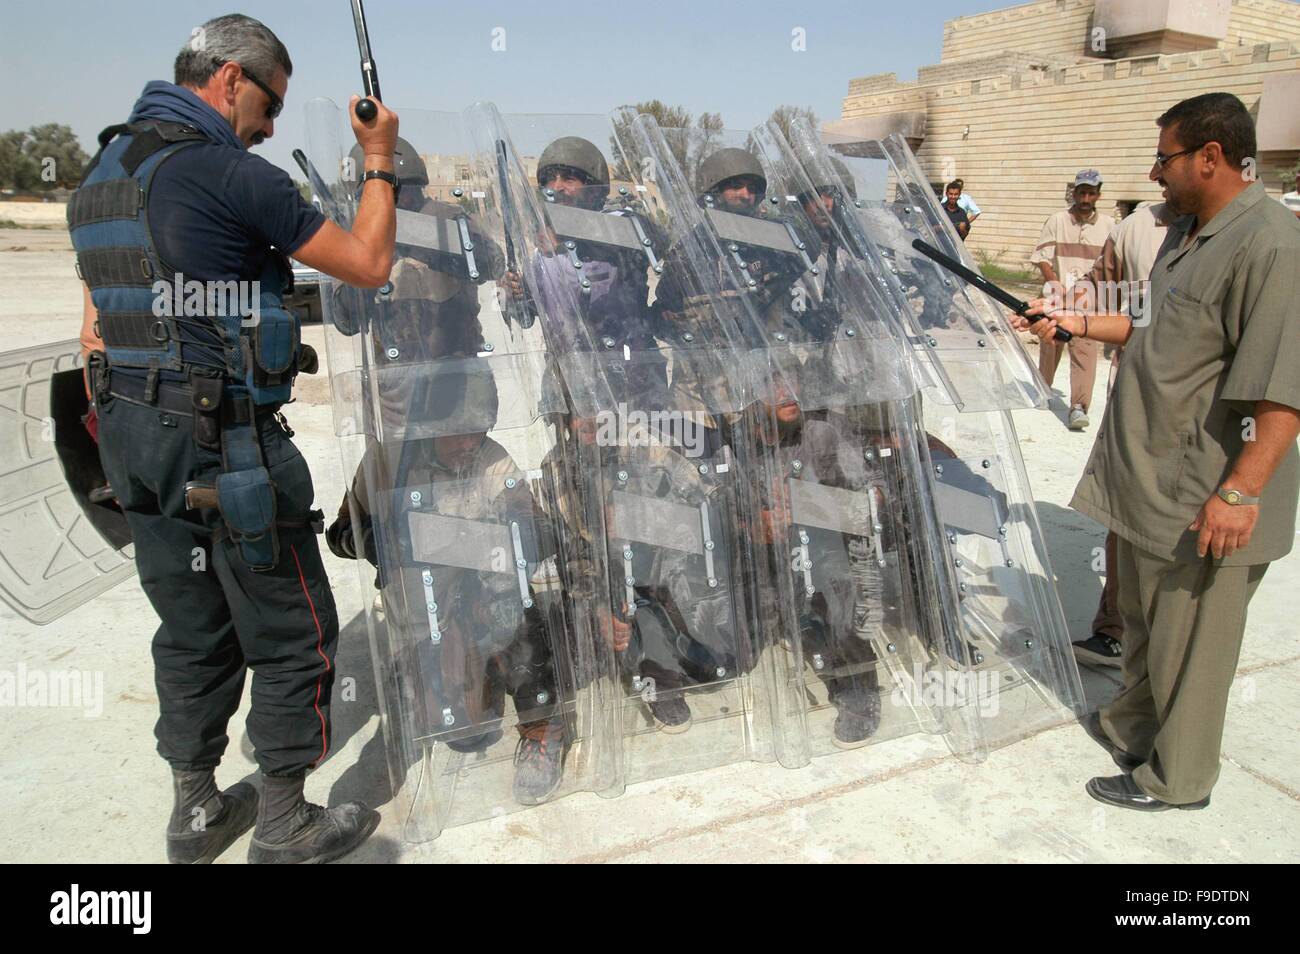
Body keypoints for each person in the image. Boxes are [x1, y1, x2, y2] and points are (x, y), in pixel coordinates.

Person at [69, 14, 399, 863]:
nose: (271, 126)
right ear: (228, 79)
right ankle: (286, 822)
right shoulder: (229, 173)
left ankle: (196, 811)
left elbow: (96, 319)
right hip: (228, 445)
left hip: (133, 438)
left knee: (191, 629)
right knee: (294, 629)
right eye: (269, 104)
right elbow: (366, 263)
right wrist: (377, 158)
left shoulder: (103, 172)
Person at [1015, 92, 1300, 812]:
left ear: (1211, 156)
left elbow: (1283, 392)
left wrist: (1240, 492)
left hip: (1207, 491)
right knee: (1146, 627)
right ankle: (1134, 729)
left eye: (1165, 157)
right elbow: (1147, 325)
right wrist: (1070, 319)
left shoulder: (1272, 245)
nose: (1154, 171)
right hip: (1152, 481)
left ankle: (1178, 779)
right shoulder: (1186, 233)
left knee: (1191, 648)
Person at [1069, 200, 1171, 669]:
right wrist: (1060, 310)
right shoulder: (1137, 226)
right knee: (1123, 512)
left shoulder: (1244, 236)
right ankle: (1114, 631)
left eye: (1166, 159)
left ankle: (1162, 641)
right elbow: (1096, 286)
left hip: (1197, 422)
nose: (1154, 173)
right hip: (1134, 399)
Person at [1028, 170, 1111, 431]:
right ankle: (1044, 388)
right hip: (1057, 293)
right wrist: (1055, 283)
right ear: (1074, 193)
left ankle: (1078, 406)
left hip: (1088, 298)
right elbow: (1043, 256)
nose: (1086, 197)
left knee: (1084, 349)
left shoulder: (1109, 225)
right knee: (1050, 343)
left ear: (1098, 194)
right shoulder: (1057, 220)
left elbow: (1111, 263)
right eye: (1081, 192)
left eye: (1091, 192)